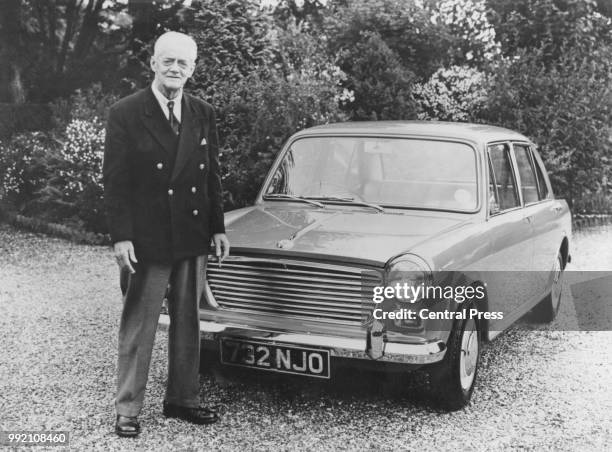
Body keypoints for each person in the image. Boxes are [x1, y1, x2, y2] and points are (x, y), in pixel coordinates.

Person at [103, 31, 230, 437]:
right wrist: (122, 236)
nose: (175, 69)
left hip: (192, 233)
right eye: (168, 61)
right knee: (139, 323)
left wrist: (217, 227)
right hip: (147, 238)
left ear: (192, 70)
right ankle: (128, 409)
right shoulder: (125, 112)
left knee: (188, 321)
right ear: (154, 64)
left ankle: (182, 399)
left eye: (184, 64)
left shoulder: (202, 111)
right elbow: (116, 182)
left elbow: (211, 175)